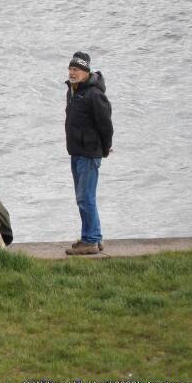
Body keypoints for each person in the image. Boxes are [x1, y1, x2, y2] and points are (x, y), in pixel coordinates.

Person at [64, 52, 113, 255]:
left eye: (76, 69)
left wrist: (105, 148)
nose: (72, 72)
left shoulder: (94, 94)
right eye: (70, 69)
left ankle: (90, 241)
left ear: (86, 71)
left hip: (89, 154)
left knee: (86, 198)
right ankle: (93, 237)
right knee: (83, 197)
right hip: (76, 152)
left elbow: (106, 125)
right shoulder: (73, 91)